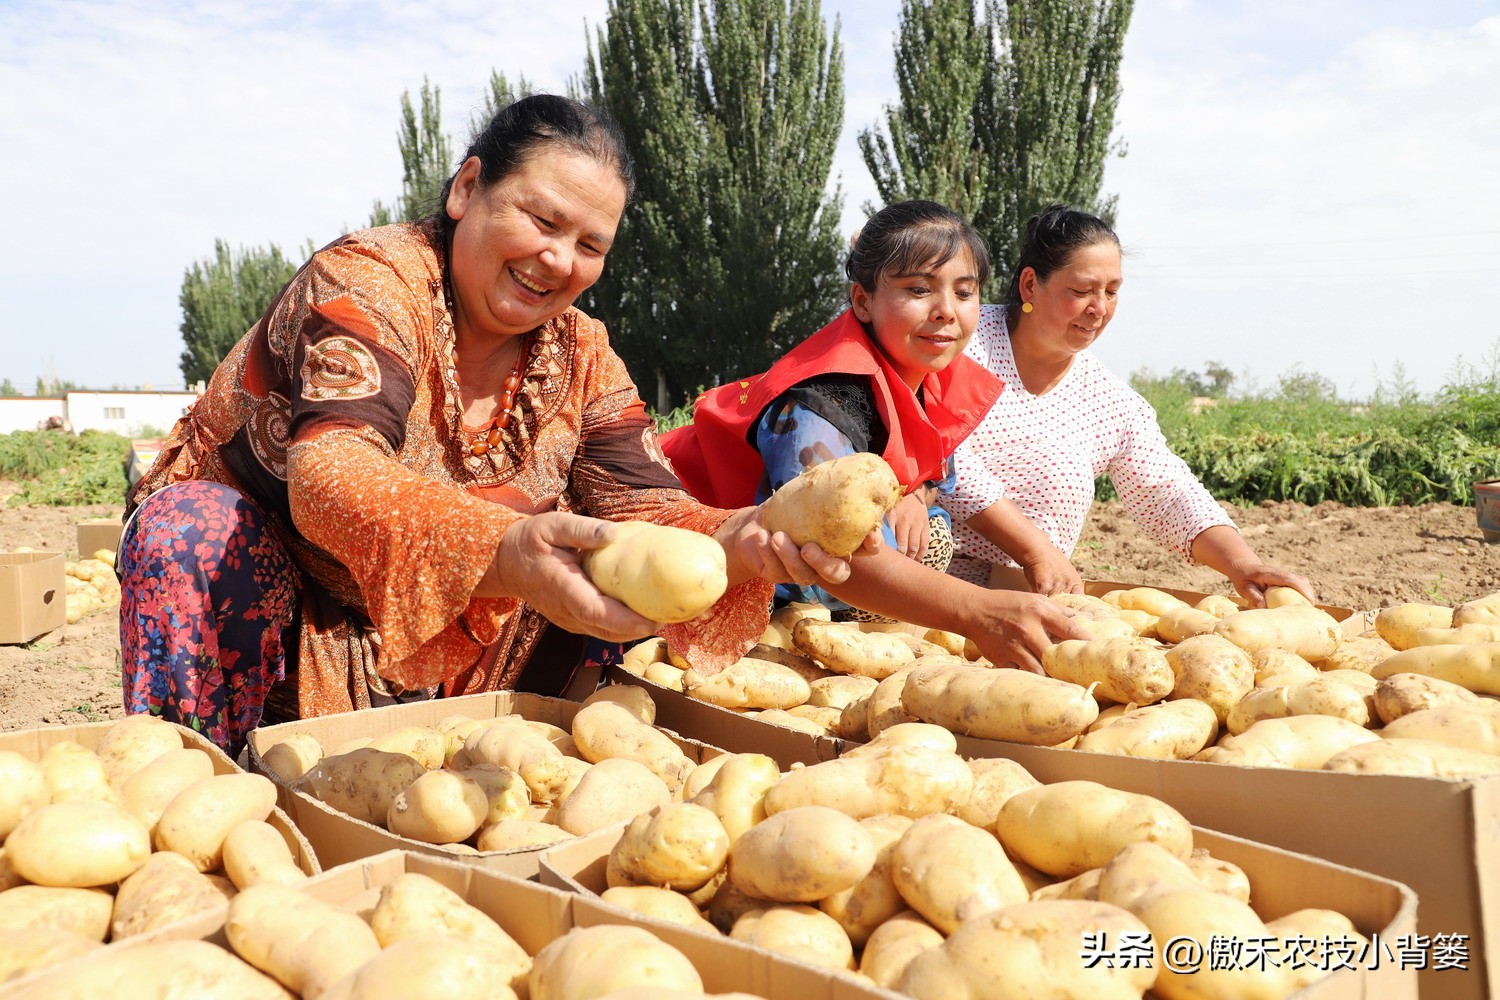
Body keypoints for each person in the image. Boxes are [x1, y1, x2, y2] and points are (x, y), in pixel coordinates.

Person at [119, 95, 851, 754]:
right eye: (542, 220)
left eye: (591, 246)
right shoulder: (371, 280)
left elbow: (645, 510)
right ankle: (206, 782)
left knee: (597, 560)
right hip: (281, 609)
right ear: (468, 189)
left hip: (446, 640)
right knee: (190, 530)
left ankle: (477, 766)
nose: (558, 260)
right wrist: (503, 551)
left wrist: (742, 541)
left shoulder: (582, 353)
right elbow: (329, 473)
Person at [662, 200, 1086, 669]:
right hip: (683, 550)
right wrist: (977, 611)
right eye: (919, 289)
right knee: (886, 548)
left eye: (965, 292)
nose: (947, 311)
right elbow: (824, 546)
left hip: (785, 555)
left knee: (928, 529)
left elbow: (949, 474)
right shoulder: (824, 403)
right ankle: (781, 618)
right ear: (862, 301)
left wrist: (1037, 553)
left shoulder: (924, 377)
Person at [944, 204, 1315, 606]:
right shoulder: (959, 341)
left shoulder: (1109, 400)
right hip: (916, 586)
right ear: (1030, 285)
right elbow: (942, 453)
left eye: (1112, 291)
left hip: (1023, 604)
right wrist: (1035, 549)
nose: (1099, 308)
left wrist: (1241, 562)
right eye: (1082, 290)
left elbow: (1166, 491)